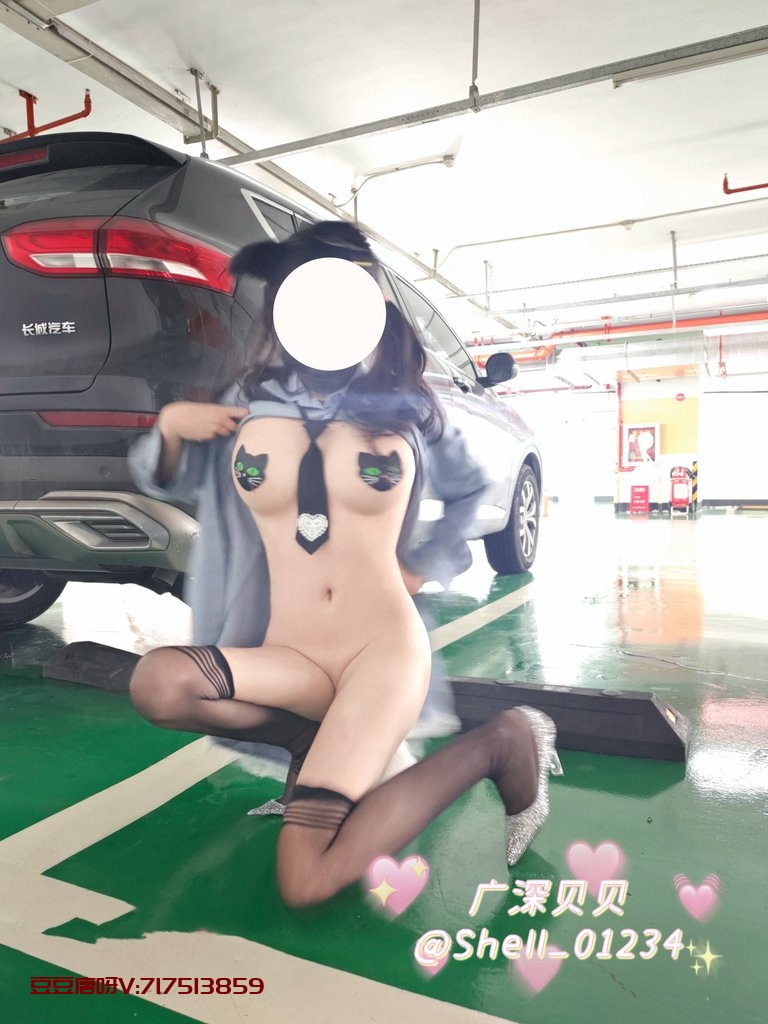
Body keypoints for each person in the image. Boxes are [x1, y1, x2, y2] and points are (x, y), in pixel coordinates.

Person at [128, 220, 558, 908]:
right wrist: (174, 427)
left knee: (305, 880)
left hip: (376, 653)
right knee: (159, 683)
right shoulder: (248, 402)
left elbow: (475, 489)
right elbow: (172, 480)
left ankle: (504, 742)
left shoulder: (408, 406)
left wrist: (427, 562)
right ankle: (315, 748)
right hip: (291, 652)